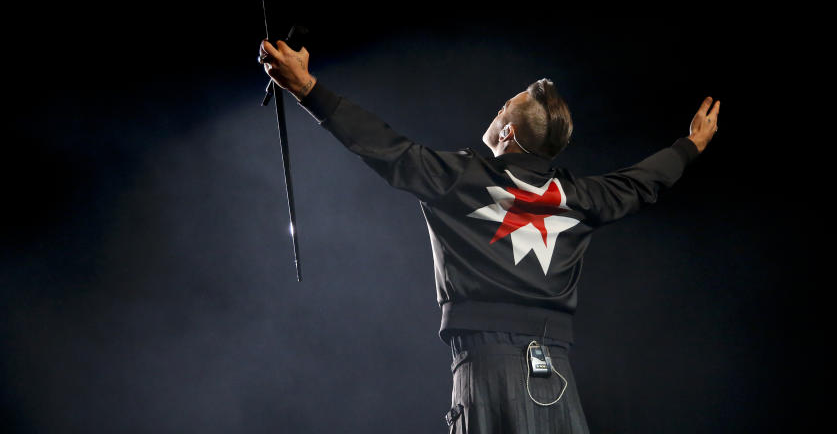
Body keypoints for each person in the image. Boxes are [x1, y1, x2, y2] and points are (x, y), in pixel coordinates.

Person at [259, 38, 719, 433]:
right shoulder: (579, 197)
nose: (497, 109)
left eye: (504, 106)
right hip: (557, 373)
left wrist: (306, 88)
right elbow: (641, 182)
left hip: (486, 370)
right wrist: (691, 145)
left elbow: (385, 147)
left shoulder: (461, 178)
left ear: (509, 132)